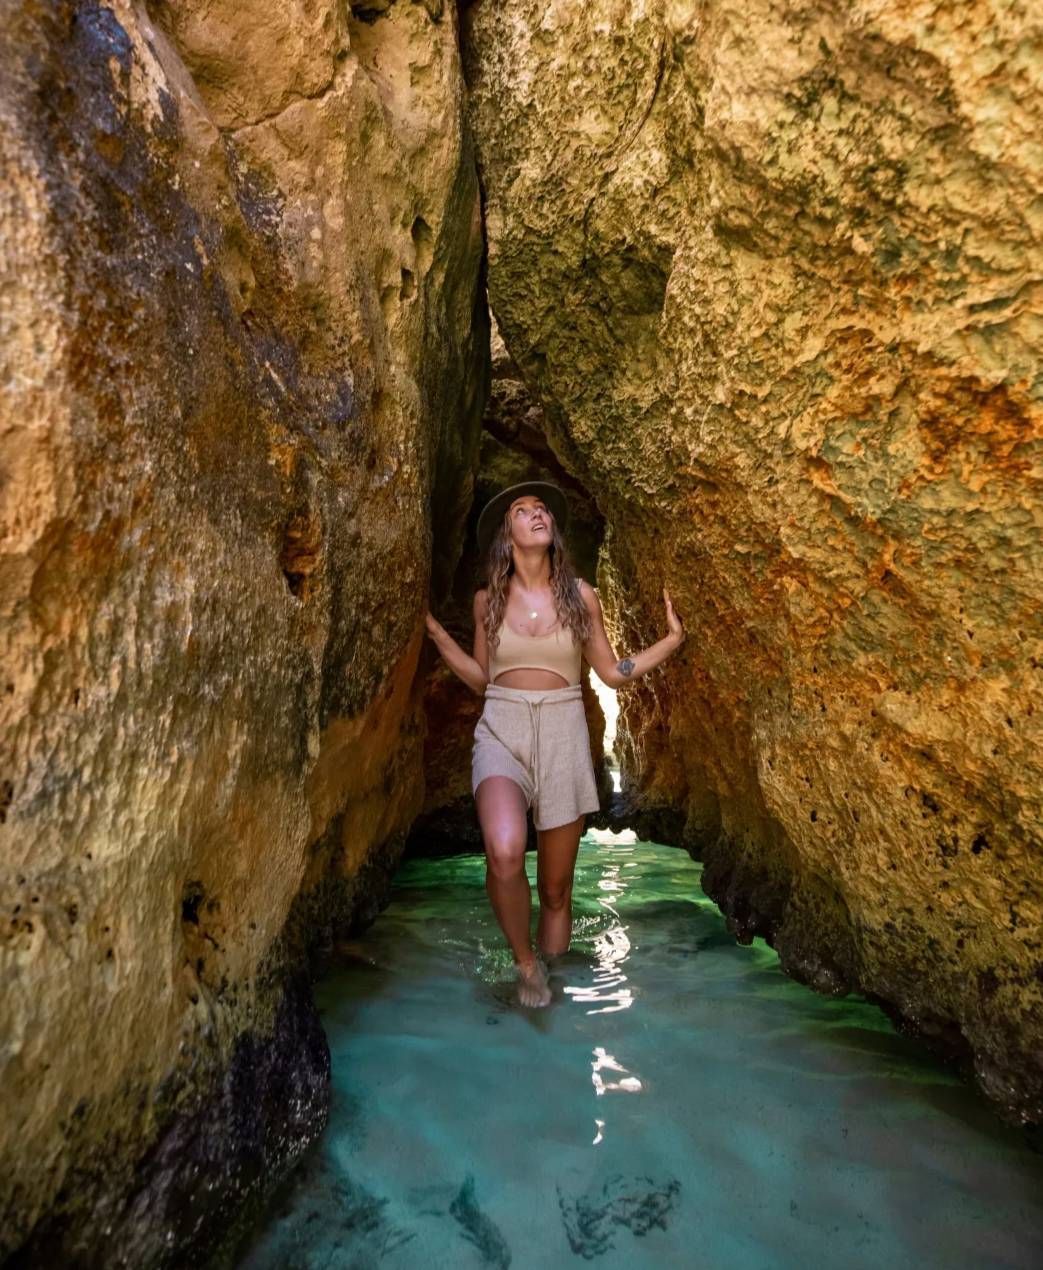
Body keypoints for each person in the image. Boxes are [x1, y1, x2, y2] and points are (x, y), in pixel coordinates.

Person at [424, 481, 684, 1007]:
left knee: (557, 891)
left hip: (564, 730)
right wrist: (438, 635)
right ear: (507, 536)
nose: (536, 513)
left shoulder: (580, 595)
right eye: (522, 511)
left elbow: (611, 673)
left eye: (541, 507)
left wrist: (671, 642)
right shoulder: (486, 602)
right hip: (502, 727)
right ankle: (526, 966)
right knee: (502, 850)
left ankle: (557, 987)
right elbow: (481, 679)